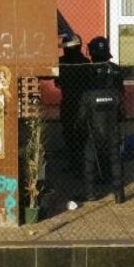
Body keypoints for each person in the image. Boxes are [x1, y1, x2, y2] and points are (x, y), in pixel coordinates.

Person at [80, 36, 126, 203]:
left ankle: (91, 192)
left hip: (93, 118)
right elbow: (122, 93)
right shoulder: (116, 70)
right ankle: (119, 193)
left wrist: (80, 125)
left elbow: (81, 109)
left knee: (90, 158)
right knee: (115, 157)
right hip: (113, 116)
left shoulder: (86, 72)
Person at [55, 32, 91, 172]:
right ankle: (85, 165)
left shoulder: (61, 62)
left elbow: (57, 83)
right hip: (84, 103)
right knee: (83, 134)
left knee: (69, 133)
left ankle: (74, 164)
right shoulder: (86, 63)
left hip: (69, 102)